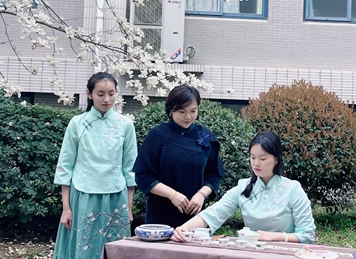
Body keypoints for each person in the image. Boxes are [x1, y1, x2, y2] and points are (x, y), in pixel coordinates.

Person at [173, 132, 316, 244]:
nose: (256, 163)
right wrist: (184, 228)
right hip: (253, 252)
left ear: (276, 159)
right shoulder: (243, 187)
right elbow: (214, 213)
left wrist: (275, 237)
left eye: (263, 158)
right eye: (253, 157)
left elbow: (308, 234)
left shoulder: (292, 189)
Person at [53, 72, 138, 259]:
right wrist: (66, 208)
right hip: (83, 195)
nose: (107, 99)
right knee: (83, 250)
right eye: (101, 94)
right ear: (89, 94)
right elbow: (65, 166)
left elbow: (130, 168)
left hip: (116, 196)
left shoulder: (126, 125)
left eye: (111, 93)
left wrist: (129, 207)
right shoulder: (77, 123)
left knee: (115, 250)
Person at [133, 84, 224, 228]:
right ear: (171, 110)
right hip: (161, 216)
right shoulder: (158, 136)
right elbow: (142, 175)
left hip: (195, 216)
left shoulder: (206, 136)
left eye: (193, 111)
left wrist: (201, 194)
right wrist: (173, 195)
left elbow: (215, 174)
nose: (188, 117)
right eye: (182, 111)